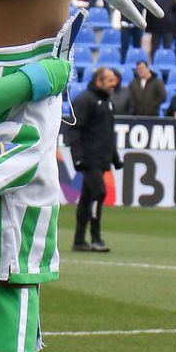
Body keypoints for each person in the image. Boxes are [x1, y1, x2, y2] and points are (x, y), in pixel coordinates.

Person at [66, 67, 120, 252]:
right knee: (99, 193)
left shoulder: (107, 102)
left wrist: (115, 157)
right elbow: (74, 130)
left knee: (87, 198)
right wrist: (78, 158)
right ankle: (96, 238)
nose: (114, 83)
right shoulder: (85, 100)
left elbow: (108, 133)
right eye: (110, 80)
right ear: (99, 81)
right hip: (89, 159)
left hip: (100, 159)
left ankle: (79, 241)